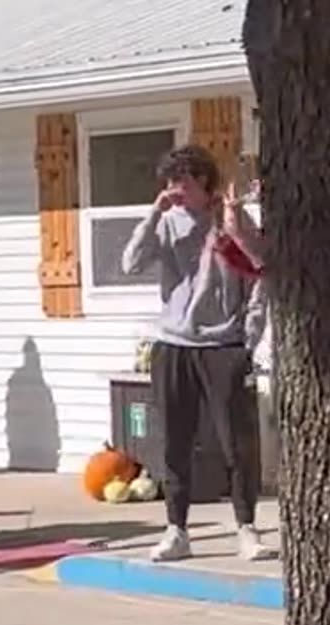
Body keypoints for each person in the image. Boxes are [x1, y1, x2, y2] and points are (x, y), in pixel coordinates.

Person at [120, 144, 276, 563]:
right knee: (175, 441)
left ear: (203, 182)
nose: (175, 190)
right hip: (174, 344)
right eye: (170, 183)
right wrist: (154, 212)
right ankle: (177, 530)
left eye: (183, 182)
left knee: (236, 443)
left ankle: (246, 528)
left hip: (223, 345)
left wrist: (250, 337)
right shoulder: (167, 223)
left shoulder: (230, 218)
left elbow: (263, 270)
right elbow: (131, 263)